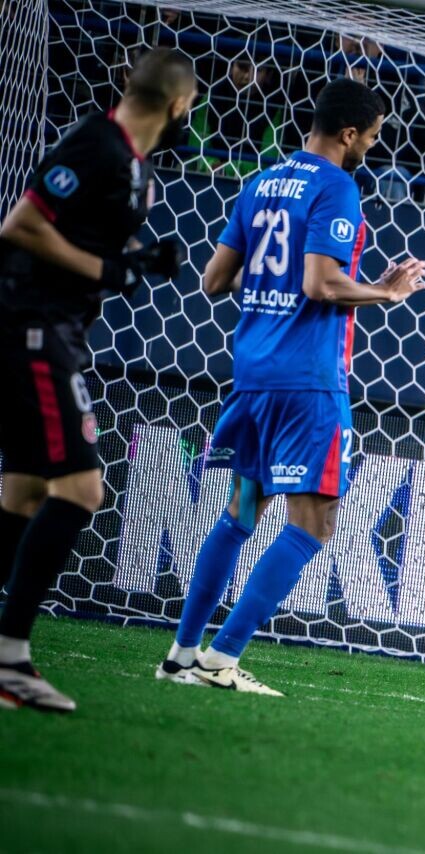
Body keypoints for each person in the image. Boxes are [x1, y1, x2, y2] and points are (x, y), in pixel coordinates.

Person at [155, 78, 425, 695]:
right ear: (349, 134)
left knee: (241, 513)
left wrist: (273, 274)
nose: (373, 146)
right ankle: (222, 660)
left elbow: (212, 280)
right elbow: (322, 285)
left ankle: (180, 654)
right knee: (314, 524)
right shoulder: (337, 186)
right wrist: (385, 290)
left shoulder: (260, 184)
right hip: (308, 383)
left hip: (252, 375)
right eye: (373, 135)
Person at [0, 48, 196, 712]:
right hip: (34, 326)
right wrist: (103, 270)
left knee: (25, 494)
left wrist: (137, 258)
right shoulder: (97, 143)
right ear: (177, 105)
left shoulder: (136, 169)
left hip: (59, 329)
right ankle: (11, 658)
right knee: (81, 489)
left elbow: (90, 241)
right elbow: (21, 226)